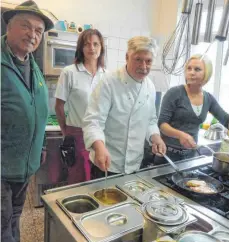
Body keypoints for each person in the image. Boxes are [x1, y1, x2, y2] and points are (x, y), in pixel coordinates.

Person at [1, 1, 54, 242]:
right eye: (26, 26)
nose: (32, 35)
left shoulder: (32, 65)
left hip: (24, 167)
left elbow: (39, 113)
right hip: (2, 169)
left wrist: (41, 146)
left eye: (38, 31)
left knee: (14, 219)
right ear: (8, 26)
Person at [83, 36, 166, 179]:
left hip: (135, 164)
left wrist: (156, 137)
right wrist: (99, 147)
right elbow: (93, 121)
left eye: (148, 61)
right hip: (107, 162)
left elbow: (151, 120)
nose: (144, 66)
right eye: (138, 59)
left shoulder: (150, 87)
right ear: (127, 57)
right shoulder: (109, 82)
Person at [155, 54, 229, 165]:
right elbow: (162, 124)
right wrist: (180, 135)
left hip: (190, 156)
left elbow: (225, 119)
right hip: (167, 155)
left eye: (197, 69)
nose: (191, 72)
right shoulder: (175, 93)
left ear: (206, 74)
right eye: (189, 68)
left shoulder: (208, 98)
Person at [55, 28, 106, 184]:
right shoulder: (69, 72)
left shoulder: (107, 75)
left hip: (101, 136)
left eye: (96, 44)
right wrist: (66, 131)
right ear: (81, 48)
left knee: (98, 179)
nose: (92, 48)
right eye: (87, 44)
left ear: (101, 48)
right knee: (79, 180)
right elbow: (59, 106)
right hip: (77, 134)